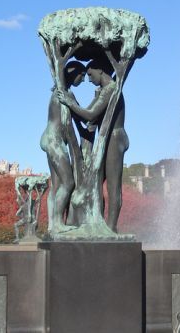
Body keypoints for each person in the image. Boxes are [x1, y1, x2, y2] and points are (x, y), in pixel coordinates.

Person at [57, 58, 129, 232]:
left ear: (100, 71)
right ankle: (98, 222)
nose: (89, 79)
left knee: (112, 185)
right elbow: (87, 115)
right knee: (96, 182)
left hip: (114, 138)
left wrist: (70, 102)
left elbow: (90, 115)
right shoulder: (104, 91)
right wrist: (72, 105)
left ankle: (111, 228)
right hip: (107, 139)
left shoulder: (111, 89)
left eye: (90, 74)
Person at [41, 61, 86, 232]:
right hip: (54, 140)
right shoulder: (63, 92)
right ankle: (58, 222)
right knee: (68, 182)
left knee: (57, 184)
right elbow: (79, 116)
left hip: (50, 138)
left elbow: (75, 119)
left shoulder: (61, 93)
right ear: (74, 74)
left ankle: (52, 226)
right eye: (81, 76)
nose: (82, 80)